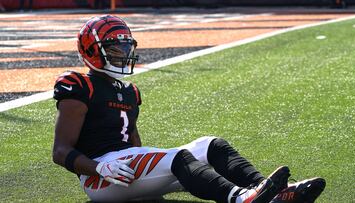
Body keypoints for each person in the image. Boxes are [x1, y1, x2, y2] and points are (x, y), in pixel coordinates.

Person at [52, 15, 326, 203]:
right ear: (91, 50)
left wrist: (150, 173)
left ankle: (272, 191)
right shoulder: (79, 85)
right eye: (114, 48)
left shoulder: (130, 91)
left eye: (126, 47)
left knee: (211, 145)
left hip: (125, 170)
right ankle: (242, 198)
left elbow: (135, 145)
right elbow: (60, 151)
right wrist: (99, 168)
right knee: (179, 157)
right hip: (99, 179)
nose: (123, 54)